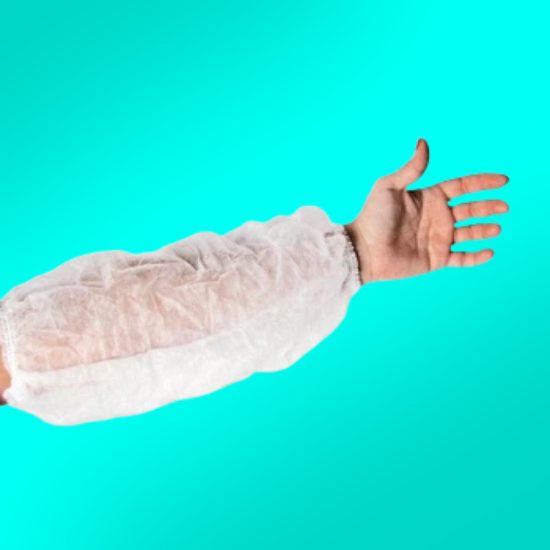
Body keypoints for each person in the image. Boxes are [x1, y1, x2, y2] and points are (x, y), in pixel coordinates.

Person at [0, 139, 509, 425]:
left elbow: (180, 299)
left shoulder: (28, 345)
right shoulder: (33, 350)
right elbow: (180, 324)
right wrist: (355, 254)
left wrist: (359, 251)